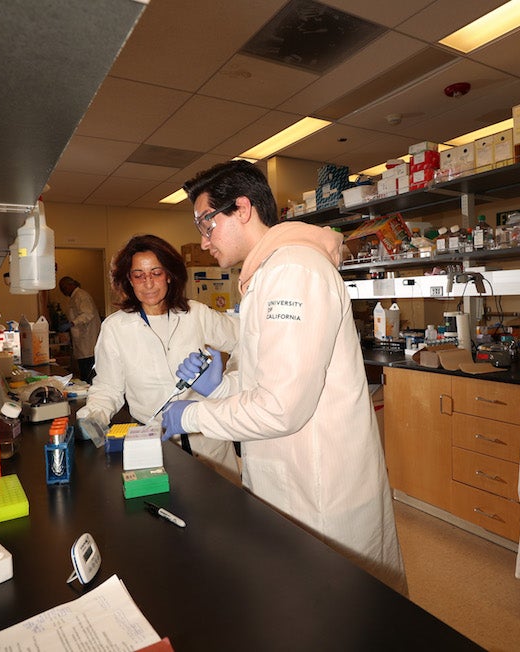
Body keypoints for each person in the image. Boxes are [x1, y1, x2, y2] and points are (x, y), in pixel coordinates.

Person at [162, 160, 406, 592]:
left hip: (319, 491)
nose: (203, 241)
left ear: (241, 209)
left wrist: (192, 416)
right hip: (289, 478)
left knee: (337, 613)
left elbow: (279, 408)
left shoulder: (292, 272)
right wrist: (221, 386)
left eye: (206, 223)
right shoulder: (266, 274)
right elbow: (270, 383)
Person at [77, 235, 240, 476]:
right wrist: (92, 417)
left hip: (208, 438)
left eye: (156, 273)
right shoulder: (116, 327)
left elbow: (245, 340)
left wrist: (227, 384)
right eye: (139, 275)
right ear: (129, 280)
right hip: (155, 443)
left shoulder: (195, 313)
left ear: (169, 275)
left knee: (222, 509)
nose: (148, 283)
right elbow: (108, 389)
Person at [58, 276, 102, 383]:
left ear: (71, 285)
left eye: (64, 288)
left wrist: (72, 323)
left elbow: (87, 314)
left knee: (88, 372)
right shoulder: (74, 297)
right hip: (82, 341)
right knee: (84, 371)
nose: (63, 291)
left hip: (88, 339)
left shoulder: (81, 295)